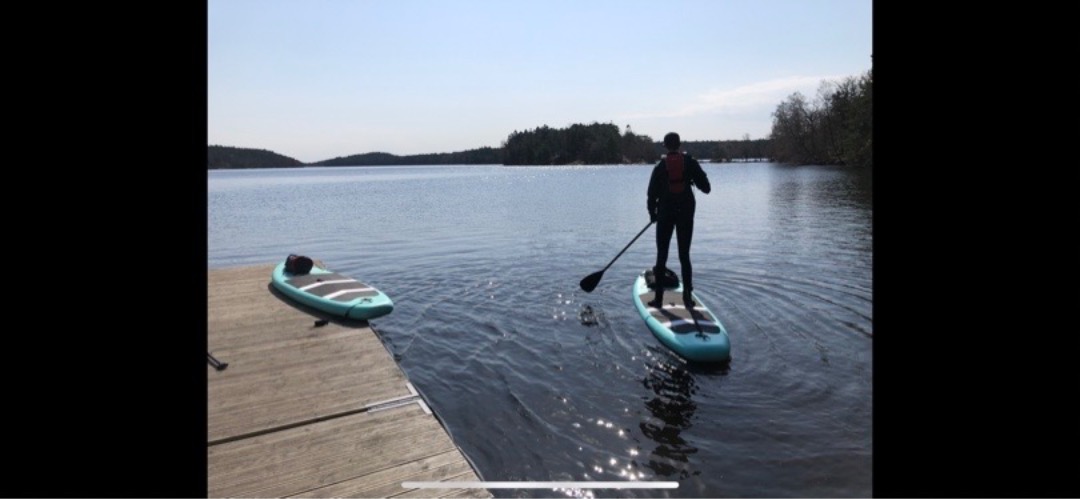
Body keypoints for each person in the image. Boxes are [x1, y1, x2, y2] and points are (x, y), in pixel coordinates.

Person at [647, 132, 711, 308]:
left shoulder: (660, 167)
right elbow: (706, 188)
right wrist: (692, 176)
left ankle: (658, 299)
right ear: (680, 144)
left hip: (665, 214)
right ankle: (687, 298)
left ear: (665, 147)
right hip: (685, 213)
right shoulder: (690, 163)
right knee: (684, 255)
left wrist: (653, 214)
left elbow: (651, 195)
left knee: (662, 256)